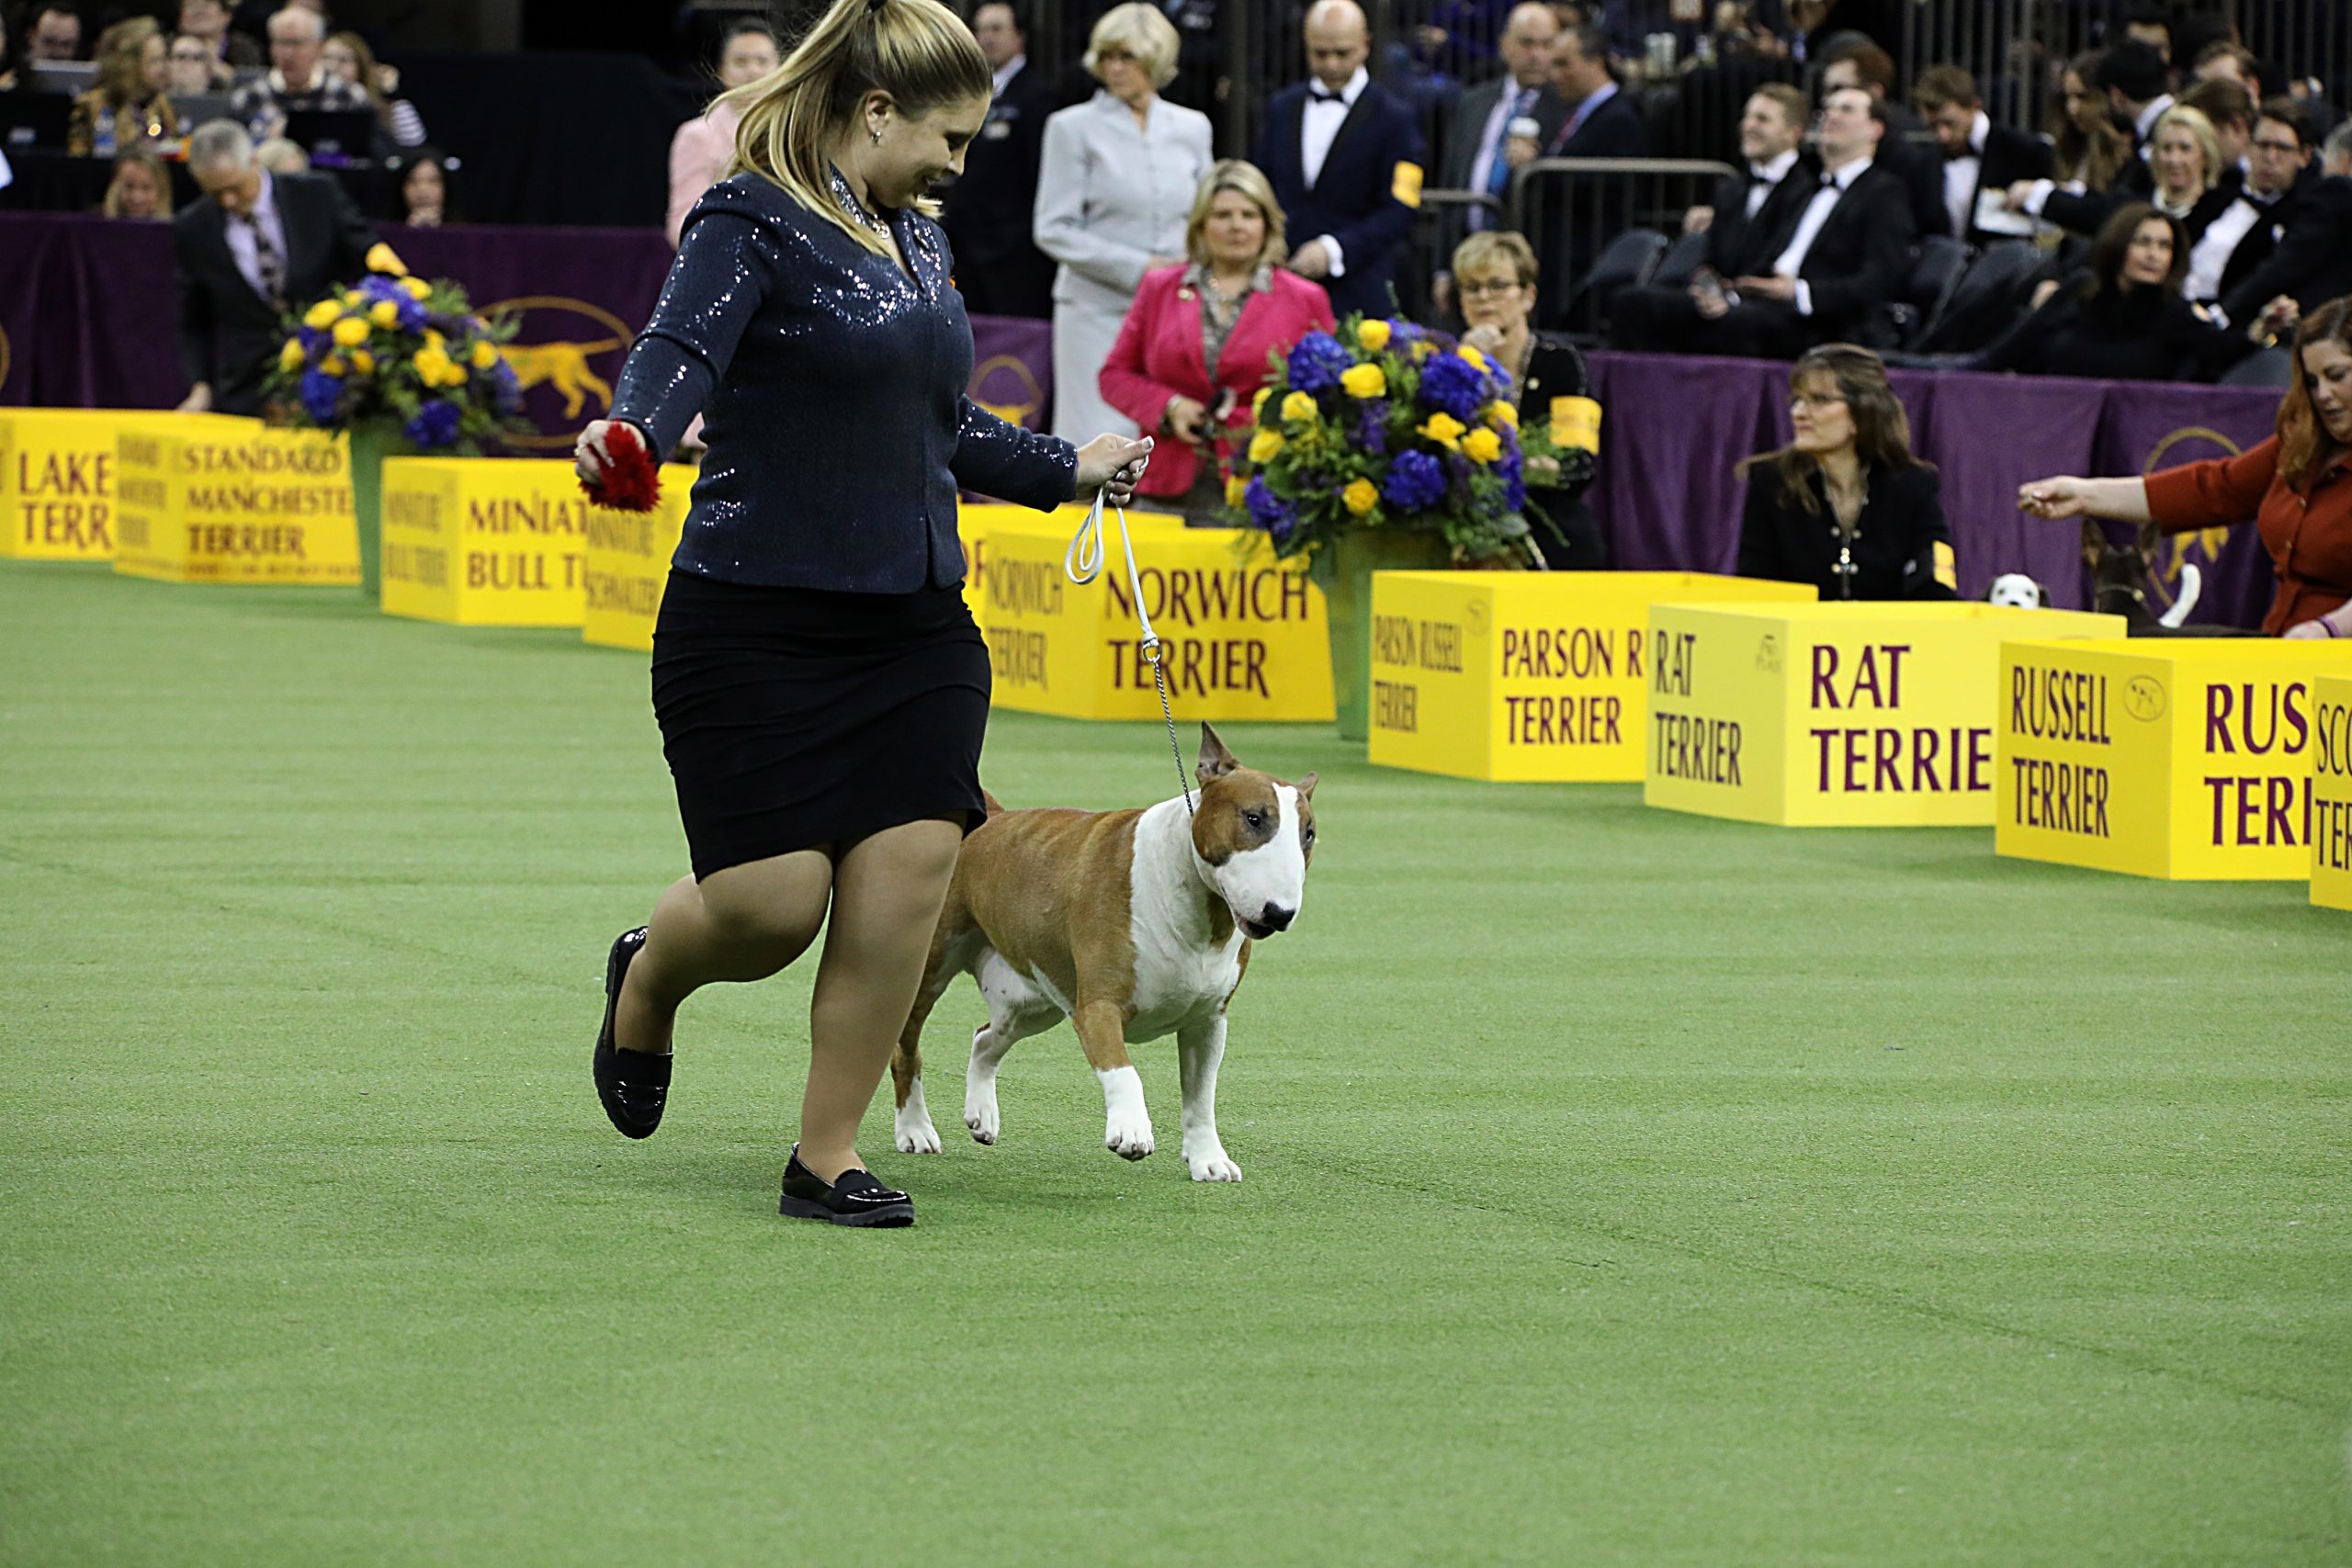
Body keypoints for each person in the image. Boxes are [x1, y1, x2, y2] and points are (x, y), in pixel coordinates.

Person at [571, 0, 1152, 1228]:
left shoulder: (922, 243)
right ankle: (649, 973)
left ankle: (823, 1152)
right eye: (948, 136)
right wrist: (634, 433)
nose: (958, 163)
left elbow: (941, 425)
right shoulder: (749, 219)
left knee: (902, 886)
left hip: (916, 628)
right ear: (875, 110)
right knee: (770, 906)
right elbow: (678, 353)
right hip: (750, 618)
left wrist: (1071, 466)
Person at [2019, 295, 2352, 637]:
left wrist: (2328, 629)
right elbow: (2213, 490)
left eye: (2336, 375)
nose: (2322, 394)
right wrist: (2084, 495)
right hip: (2279, 656)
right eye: (2312, 382)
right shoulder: (2300, 446)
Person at [1097, 159, 1335, 513]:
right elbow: (1114, 376)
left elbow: (1328, 392)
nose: (1236, 226)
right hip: (1165, 485)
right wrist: (1170, 407)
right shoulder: (1159, 288)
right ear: (1201, 224)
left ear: (1267, 225)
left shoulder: (1305, 299)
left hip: (1264, 487)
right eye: (1223, 215)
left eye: (1249, 215)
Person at [1611, 85, 1913, 360]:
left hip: (1820, 319)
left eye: (1846, 110)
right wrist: (1725, 292)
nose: (1831, 116)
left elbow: (1880, 278)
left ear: (1875, 129)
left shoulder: (1885, 193)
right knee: (1632, 304)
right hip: (1762, 304)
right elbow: (1762, 259)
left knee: (1733, 324)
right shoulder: (1809, 190)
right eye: (1828, 109)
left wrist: (1799, 293)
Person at [1035, 3, 1211, 444]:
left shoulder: (1193, 127)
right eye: (1107, 56)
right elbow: (1052, 228)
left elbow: (1205, 215)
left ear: (1155, 59)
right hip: (1094, 309)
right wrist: (1141, 267)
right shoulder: (1071, 127)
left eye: (1127, 57)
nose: (1114, 68)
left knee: (1166, 439)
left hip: (1174, 308)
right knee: (1097, 439)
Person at [173, 118, 376, 416]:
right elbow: (193, 319)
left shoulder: (318, 195)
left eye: (235, 188)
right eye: (214, 194)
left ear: (254, 161)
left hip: (330, 376)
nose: (228, 201)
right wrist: (201, 385)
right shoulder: (193, 227)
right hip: (247, 389)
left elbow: (368, 260)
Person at [1737, 344, 1957, 601]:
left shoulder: (1913, 484)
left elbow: (1936, 585)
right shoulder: (1772, 481)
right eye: (1797, 400)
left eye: (1819, 400)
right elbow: (1756, 589)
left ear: (1863, 411)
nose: (1798, 413)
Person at [1250, 0, 1426, 321]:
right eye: (1320, 53)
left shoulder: (1396, 118)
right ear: (1305, 44)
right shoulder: (1281, 108)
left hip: (1362, 289)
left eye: (1342, 53)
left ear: (1365, 45)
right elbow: (1260, 186)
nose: (1330, 63)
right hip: (1280, 286)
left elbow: (1401, 208)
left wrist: (1333, 250)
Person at [1452, 229, 1605, 568]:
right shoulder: (1448, 367)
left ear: (1528, 296)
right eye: (1472, 288)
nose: (1484, 298)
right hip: (1462, 536)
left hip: (1549, 536)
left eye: (1498, 285)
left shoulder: (1561, 362)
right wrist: (1467, 367)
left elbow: (1578, 463)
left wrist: (1522, 469)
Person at [1982, 203, 2267, 383]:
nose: (2154, 255)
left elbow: (2221, 350)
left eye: (2164, 246)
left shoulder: (2173, 311)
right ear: (2118, 245)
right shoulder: (2079, 291)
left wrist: (2260, 330)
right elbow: (2008, 352)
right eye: (2143, 242)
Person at [934, 0, 1056, 320]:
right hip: (968, 246)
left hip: (1014, 255)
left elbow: (1042, 174)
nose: (986, 38)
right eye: (980, 30)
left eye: (997, 29)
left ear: (1020, 36)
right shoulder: (965, 95)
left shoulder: (1039, 96)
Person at [2207, 99, 2352, 330]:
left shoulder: (2320, 201)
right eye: (2263, 145)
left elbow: (2288, 263)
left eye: (2282, 148)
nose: (2270, 157)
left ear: (2305, 156)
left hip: (2261, 327)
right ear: (2248, 147)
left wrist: (2223, 313)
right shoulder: (2217, 198)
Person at [1436, 1, 1564, 244]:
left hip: (1532, 251)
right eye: (1527, 43)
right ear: (1505, 45)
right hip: (1466, 249)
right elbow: (1451, 181)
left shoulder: (1568, 107)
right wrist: (1441, 269)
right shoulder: (1473, 101)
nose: (1537, 55)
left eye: (1547, 45)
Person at [665, 18, 779, 247]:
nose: (753, 71)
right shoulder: (696, 135)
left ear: (781, 68)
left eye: (762, 61)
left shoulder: (795, 133)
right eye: (741, 62)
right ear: (721, 71)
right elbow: (682, 222)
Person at [1910, 64, 2051, 247]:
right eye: (1933, 126)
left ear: (1975, 106)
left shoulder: (2025, 151)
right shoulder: (1924, 163)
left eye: (1949, 123)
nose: (1942, 135)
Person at [227, 6, 368, 142]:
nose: (288, 54)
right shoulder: (248, 97)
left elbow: (372, 153)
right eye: (281, 43)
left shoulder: (349, 96)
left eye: (297, 43)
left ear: (319, 47)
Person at [67, 17, 179, 157]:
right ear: (129, 64)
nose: (164, 69)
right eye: (155, 61)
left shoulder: (162, 106)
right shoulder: (90, 106)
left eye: (165, 59)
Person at [1534, 19, 1646, 156]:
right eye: (1553, 65)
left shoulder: (1619, 119)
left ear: (1596, 63)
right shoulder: (1574, 112)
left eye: (1564, 64)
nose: (1555, 76)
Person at [322, 31, 426, 149]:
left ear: (361, 66)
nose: (332, 67)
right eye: (326, 58)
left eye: (343, 60)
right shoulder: (306, 99)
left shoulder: (382, 105)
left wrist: (392, 93)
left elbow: (415, 143)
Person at [180, 0, 261, 79]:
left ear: (226, 15)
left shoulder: (244, 49)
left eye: (207, 4)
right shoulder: (170, 46)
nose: (198, 11)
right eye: (191, 4)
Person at [102, 146, 173, 220]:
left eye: (146, 187)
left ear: (161, 190)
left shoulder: (176, 229)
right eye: (129, 186)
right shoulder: (94, 226)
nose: (137, 197)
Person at [393, 145, 454, 225]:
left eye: (433, 181)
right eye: (413, 182)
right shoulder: (380, 231)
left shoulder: (466, 229)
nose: (423, 190)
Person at [166, 32, 218, 97]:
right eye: (181, 57)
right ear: (169, 64)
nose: (188, 62)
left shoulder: (225, 102)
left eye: (196, 58)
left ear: (208, 70)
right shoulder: (156, 102)